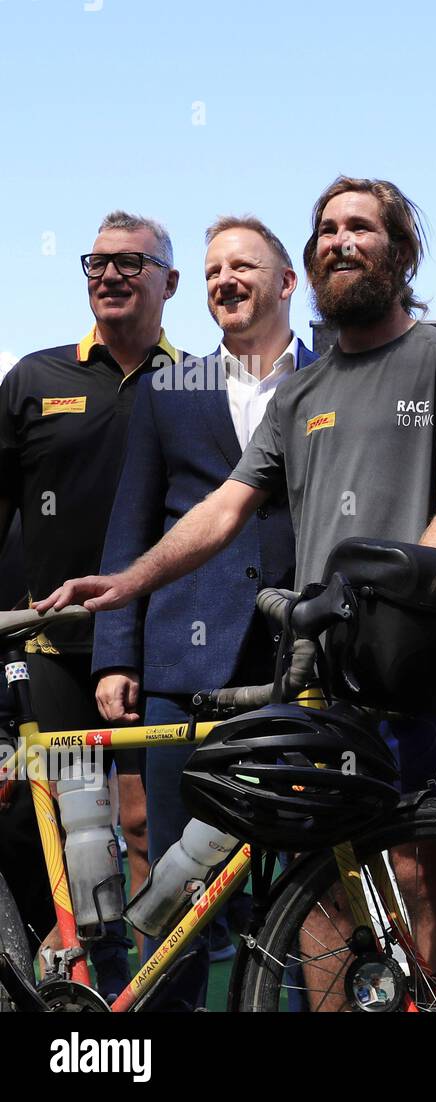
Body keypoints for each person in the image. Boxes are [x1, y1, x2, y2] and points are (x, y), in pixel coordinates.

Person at [37, 176, 436, 984]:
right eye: (326, 227)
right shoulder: (304, 390)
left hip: (408, 657)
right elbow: (223, 509)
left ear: (399, 249)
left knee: (424, 868)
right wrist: (125, 584)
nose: (340, 240)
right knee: (320, 881)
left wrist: (405, 595)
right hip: (317, 666)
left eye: (360, 226)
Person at [90, 215, 315, 1010]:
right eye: (213, 269)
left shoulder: (331, 382)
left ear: (287, 283)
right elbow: (132, 525)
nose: (224, 280)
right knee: (178, 876)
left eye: (242, 266)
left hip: (295, 665)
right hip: (181, 668)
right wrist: (116, 653)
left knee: (291, 874)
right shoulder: (166, 392)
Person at [0, 211, 185, 999]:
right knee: (75, 831)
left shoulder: (202, 383)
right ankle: (88, 987)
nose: (109, 275)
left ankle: (156, 982)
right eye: (97, 262)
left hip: (164, 639)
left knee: (149, 825)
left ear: (168, 283)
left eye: (130, 263)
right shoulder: (35, 379)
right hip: (54, 648)